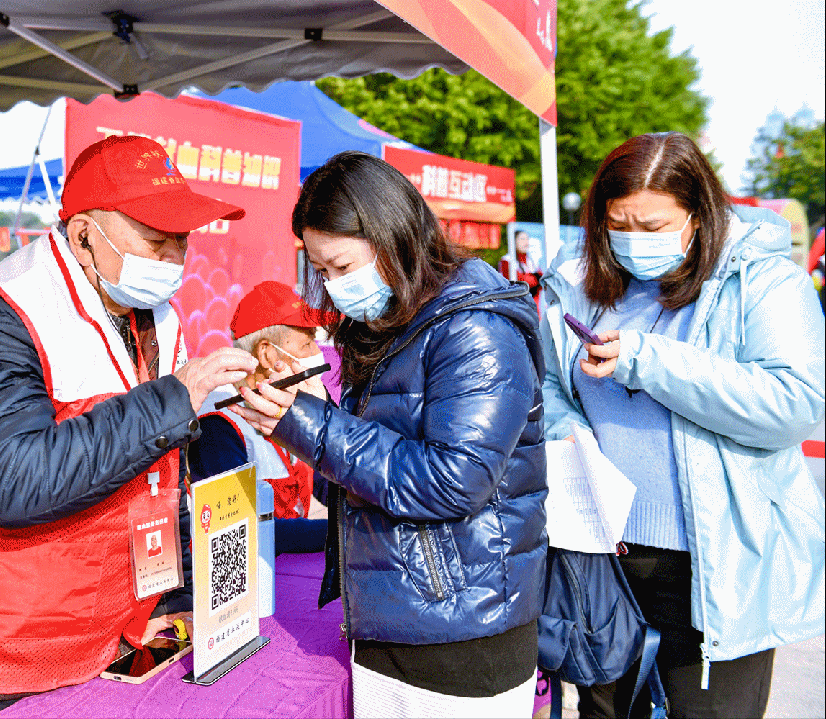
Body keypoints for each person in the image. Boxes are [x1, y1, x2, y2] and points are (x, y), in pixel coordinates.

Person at [0, 135, 258, 718]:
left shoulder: (154, 313)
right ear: (85, 234)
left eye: (180, 243)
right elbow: (12, 482)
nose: (170, 261)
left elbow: (160, 468)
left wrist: (181, 591)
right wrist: (173, 399)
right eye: (155, 241)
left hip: (108, 634)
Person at [230, 151, 548, 718]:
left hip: (460, 631)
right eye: (322, 271)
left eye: (343, 267)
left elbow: (455, 482)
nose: (333, 285)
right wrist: (296, 420)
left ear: (394, 235)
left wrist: (311, 425)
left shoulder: (475, 328)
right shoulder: (384, 327)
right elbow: (359, 483)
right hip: (391, 615)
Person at [539, 132, 825, 718]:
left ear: (699, 215)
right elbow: (545, 383)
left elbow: (795, 404)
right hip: (601, 556)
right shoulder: (577, 281)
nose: (634, 241)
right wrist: (565, 428)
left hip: (715, 562)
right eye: (619, 225)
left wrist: (650, 360)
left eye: (654, 226)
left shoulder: (762, 283)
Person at [186, 280, 333, 553]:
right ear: (266, 354)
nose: (317, 354)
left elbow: (328, 483)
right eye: (307, 343)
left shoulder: (280, 405)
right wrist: (343, 534)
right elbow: (241, 528)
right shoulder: (218, 424)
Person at [499, 229, 542, 297]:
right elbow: (520, 281)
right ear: (513, 242)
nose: (526, 242)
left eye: (527, 239)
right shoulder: (506, 260)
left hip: (534, 302)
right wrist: (535, 279)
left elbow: (542, 281)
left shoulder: (531, 260)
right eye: (522, 239)